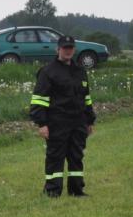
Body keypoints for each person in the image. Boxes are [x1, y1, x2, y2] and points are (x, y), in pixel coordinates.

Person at [29, 35, 96, 197]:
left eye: (70, 48)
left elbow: (86, 98)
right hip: (57, 122)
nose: (68, 51)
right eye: (65, 48)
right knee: (55, 157)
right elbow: (39, 99)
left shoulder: (80, 71)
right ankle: (52, 191)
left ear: (74, 50)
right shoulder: (47, 72)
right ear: (58, 49)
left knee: (76, 156)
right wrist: (42, 124)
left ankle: (76, 190)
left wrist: (90, 120)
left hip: (78, 122)